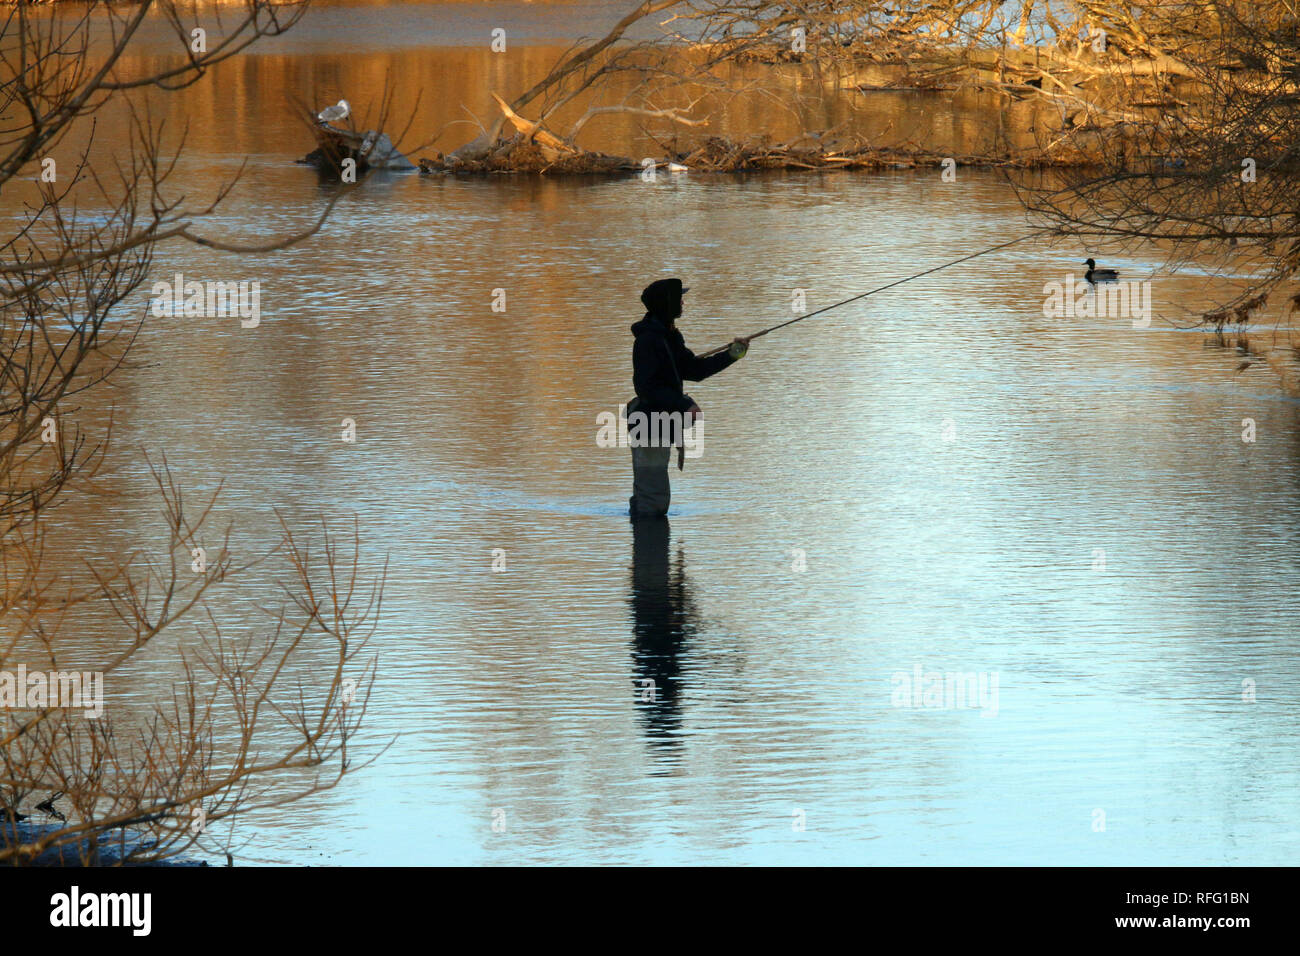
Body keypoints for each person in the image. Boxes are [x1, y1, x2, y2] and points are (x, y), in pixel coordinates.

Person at [627, 278, 750, 519]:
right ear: (668, 304)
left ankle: (647, 549)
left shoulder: (669, 336)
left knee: (653, 499)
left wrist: (732, 355)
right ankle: (648, 549)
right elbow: (646, 388)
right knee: (653, 503)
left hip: (659, 421)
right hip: (648, 423)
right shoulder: (648, 340)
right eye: (679, 298)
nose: (683, 302)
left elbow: (694, 370)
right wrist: (684, 404)